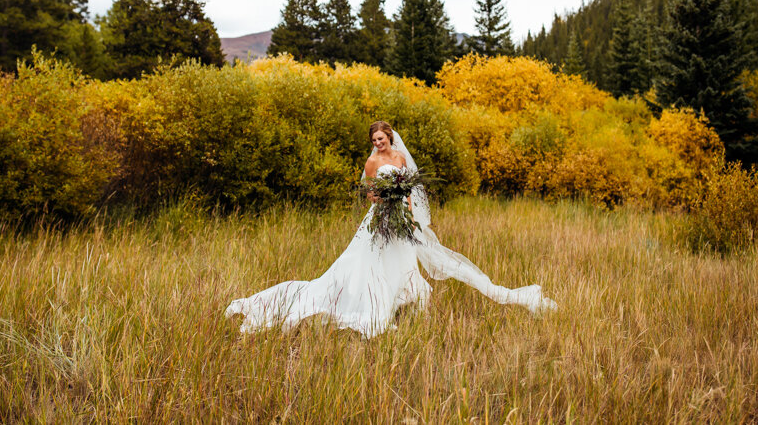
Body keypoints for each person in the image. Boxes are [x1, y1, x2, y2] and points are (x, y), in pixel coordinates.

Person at [224, 120, 556, 338]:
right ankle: (369, 303)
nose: (378, 144)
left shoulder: (400, 159)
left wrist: (411, 217)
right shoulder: (372, 163)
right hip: (378, 218)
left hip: (401, 219)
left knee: (403, 260)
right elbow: (368, 192)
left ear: (390, 137)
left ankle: (403, 300)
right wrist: (381, 198)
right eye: (374, 140)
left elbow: (409, 190)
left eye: (381, 139)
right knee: (368, 262)